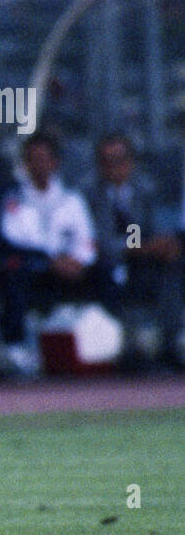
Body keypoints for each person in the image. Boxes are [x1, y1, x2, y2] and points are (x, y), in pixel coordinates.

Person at [0, 131, 99, 375]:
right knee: (13, 273)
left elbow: (86, 239)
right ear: (25, 164)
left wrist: (76, 261)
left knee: (104, 272)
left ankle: (111, 347)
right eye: (33, 159)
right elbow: (14, 235)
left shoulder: (71, 199)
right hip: (35, 267)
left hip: (71, 269)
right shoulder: (14, 198)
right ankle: (16, 347)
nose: (39, 165)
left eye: (44, 159)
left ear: (55, 162)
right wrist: (51, 261)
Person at [87, 133, 182, 370]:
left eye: (119, 159)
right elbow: (103, 242)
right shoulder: (90, 194)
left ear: (131, 161)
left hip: (146, 258)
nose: (114, 167)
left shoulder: (146, 189)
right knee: (116, 273)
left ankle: (170, 343)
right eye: (107, 161)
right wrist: (137, 246)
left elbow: (159, 229)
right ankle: (131, 349)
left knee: (173, 264)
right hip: (107, 263)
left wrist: (161, 245)